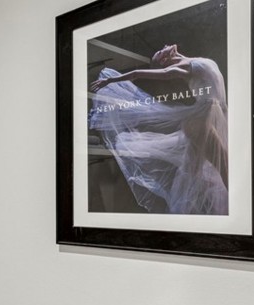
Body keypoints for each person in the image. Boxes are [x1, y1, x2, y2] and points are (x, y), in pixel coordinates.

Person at [88, 44, 229, 215]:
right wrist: (109, 81)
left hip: (207, 118)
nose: (164, 47)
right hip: (200, 121)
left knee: (196, 175)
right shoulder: (182, 68)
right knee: (221, 168)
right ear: (164, 59)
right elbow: (136, 74)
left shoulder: (192, 63)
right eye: (160, 51)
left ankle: (185, 216)